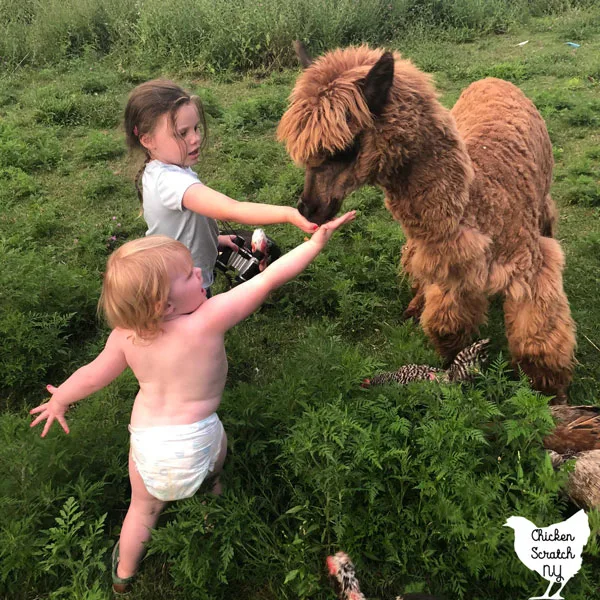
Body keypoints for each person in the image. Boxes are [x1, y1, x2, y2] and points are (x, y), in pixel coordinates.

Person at [29, 211, 355, 593]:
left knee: (143, 509)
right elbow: (269, 279)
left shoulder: (125, 336)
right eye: (188, 275)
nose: (200, 273)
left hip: (148, 446)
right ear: (163, 306)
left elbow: (91, 374)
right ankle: (214, 507)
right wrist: (314, 243)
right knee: (213, 472)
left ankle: (124, 574)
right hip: (199, 438)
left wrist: (61, 399)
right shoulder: (208, 319)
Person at [123, 78, 319, 296]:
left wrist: (214, 241)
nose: (195, 138)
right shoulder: (170, 182)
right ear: (147, 140)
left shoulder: (166, 168)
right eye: (182, 133)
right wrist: (290, 214)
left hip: (174, 275)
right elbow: (231, 208)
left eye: (195, 128)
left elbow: (178, 230)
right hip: (181, 290)